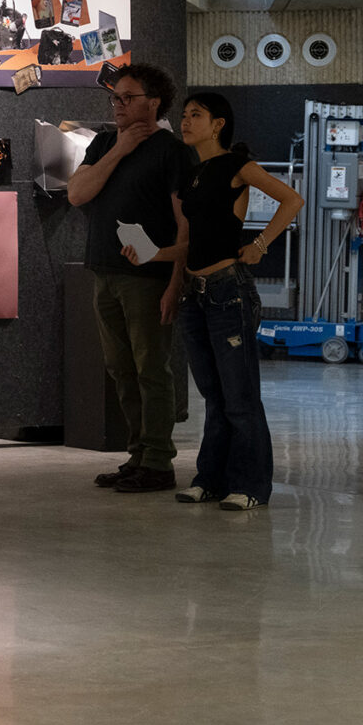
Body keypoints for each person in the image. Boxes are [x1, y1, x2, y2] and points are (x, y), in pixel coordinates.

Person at [169, 90, 302, 511]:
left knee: (240, 397)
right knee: (212, 395)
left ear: (218, 124)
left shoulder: (236, 166)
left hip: (229, 292)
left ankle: (250, 485)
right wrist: (170, 281)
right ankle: (210, 478)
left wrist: (261, 243)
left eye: (196, 115)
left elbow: (291, 199)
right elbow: (186, 239)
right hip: (195, 294)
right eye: (184, 115)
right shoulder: (191, 175)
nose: (186, 121)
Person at [64, 61, 187, 491]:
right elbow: (77, 194)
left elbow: (184, 223)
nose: (117, 105)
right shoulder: (102, 144)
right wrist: (120, 148)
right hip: (105, 271)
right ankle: (138, 455)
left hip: (148, 278)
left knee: (151, 368)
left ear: (153, 103)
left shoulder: (173, 152)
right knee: (120, 368)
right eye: (114, 97)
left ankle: (158, 460)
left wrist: (176, 281)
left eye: (127, 97)